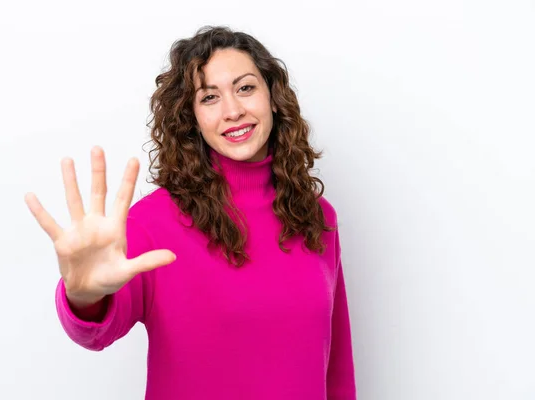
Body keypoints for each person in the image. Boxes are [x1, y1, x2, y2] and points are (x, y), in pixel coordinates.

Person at [25, 25, 357, 400]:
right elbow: (97, 330)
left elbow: (338, 367)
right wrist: (83, 298)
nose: (233, 111)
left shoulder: (316, 216)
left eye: (245, 88)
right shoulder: (151, 223)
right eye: (209, 97)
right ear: (192, 117)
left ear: (274, 97)